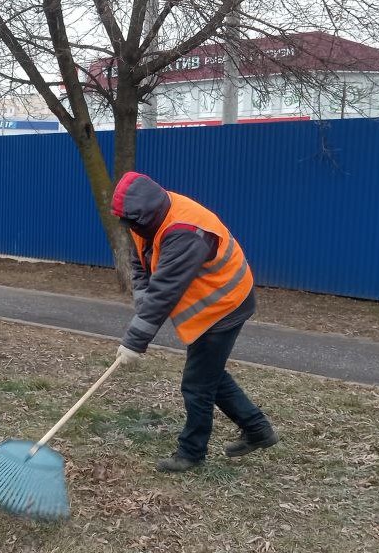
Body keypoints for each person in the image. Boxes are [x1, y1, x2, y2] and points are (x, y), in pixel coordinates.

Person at [112, 171, 278, 473]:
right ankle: (257, 429)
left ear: (147, 213)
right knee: (208, 374)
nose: (130, 228)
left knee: (196, 384)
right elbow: (139, 263)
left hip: (225, 304)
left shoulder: (184, 230)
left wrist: (134, 342)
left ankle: (191, 453)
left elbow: (165, 291)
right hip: (207, 304)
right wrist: (142, 300)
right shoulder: (145, 220)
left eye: (133, 222)